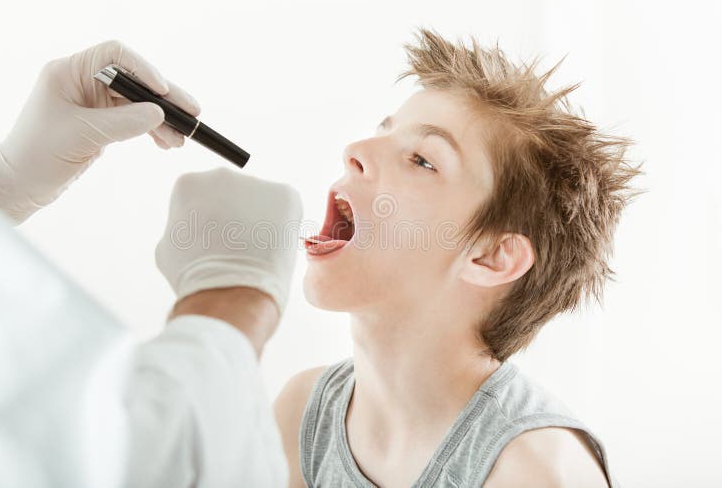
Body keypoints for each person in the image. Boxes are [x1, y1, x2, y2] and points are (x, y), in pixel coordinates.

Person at [0, 39, 302, 487]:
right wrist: (234, 299)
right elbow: (114, 460)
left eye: (412, 157)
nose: (354, 149)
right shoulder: (306, 407)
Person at [274, 29, 640, 487]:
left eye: (422, 160)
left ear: (490, 256)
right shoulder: (302, 416)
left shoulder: (533, 470)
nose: (355, 152)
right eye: (381, 132)